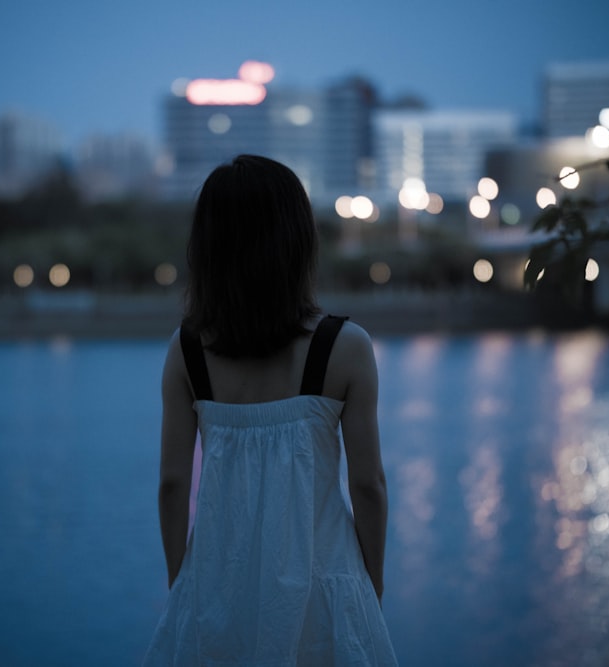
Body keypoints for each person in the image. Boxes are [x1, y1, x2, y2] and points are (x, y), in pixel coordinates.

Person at [144, 155, 397, 665]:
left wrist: (182, 582)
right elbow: (368, 484)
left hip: (216, 584)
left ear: (209, 249)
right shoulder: (345, 347)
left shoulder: (187, 350)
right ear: (299, 242)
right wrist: (373, 580)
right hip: (326, 583)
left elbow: (173, 486)